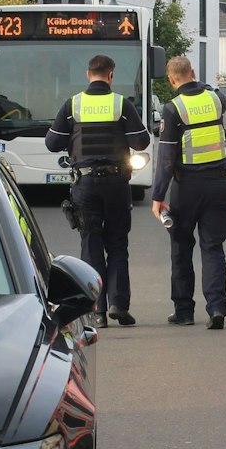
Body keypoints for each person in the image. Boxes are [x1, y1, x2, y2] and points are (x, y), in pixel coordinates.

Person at [45, 54, 150, 326]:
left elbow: (52, 143)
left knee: (91, 246)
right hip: (116, 183)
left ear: (87, 74)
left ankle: (98, 311)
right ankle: (118, 304)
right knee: (117, 244)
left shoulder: (73, 104)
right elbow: (140, 142)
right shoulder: (121, 103)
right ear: (111, 75)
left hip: (86, 183)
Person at [152, 57, 226, 329]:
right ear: (193, 73)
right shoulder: (215, 100)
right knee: (213, 247)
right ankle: (217, 308)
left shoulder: (172, 108)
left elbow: (166, 157)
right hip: (219, 185)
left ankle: (184, 311)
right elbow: (217, 92)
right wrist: (203, 84)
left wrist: (157, 196)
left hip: (186, 187)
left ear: (172, 80)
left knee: (181, 248)